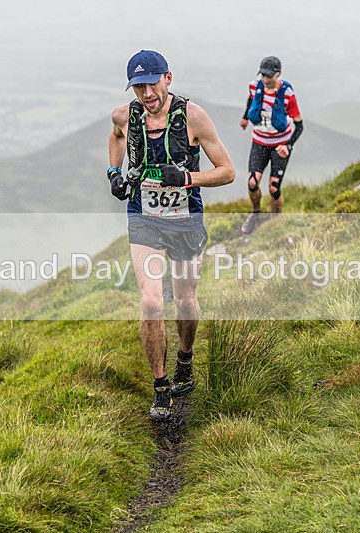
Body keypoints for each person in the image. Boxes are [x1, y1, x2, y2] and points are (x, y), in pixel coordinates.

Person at [108, 50, 235, 420]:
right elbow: (115, 136)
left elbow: (227, 171)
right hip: (143, 216)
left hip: (185, 218)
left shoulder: (192, 117)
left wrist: (187, 178)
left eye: (151, 84)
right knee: (150, 301)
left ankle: (185, 358)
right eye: (138, 87)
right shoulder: (125, 116)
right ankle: (160, 388)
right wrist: (114, 173)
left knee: (184, 299)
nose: (146, 94)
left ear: (168, 78)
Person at [239, 56, 304, 234]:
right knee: (253, 182)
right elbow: (251, 100)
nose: (266, 79)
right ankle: (256, 214)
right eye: (263, 75)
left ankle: (276, 221)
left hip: (280, 144)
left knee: (274, 188)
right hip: (259, 142)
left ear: (278, 74)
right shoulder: (255, 86)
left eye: (269, 76)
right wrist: (245, 117)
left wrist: (288, 145)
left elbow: (299, 125)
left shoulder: (287, 94)